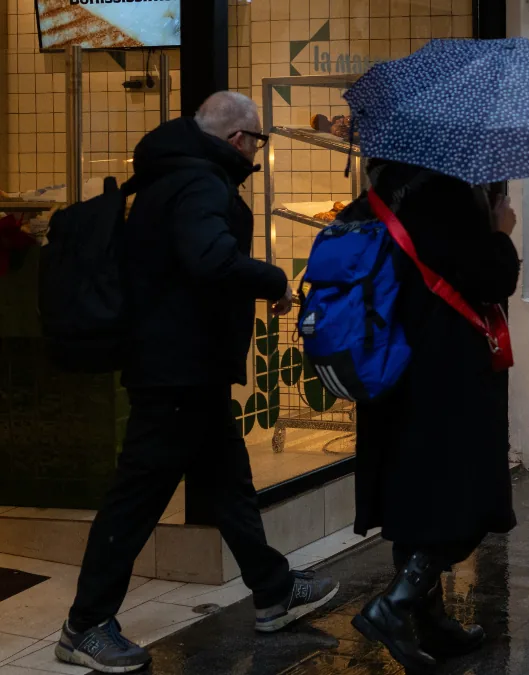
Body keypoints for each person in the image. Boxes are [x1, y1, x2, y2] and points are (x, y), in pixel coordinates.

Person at [56, 92, 338, 674]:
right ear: (238, 140)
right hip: (176, 371)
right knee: (137, 498)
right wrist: (274, 278)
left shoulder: (173, 175)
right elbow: (209, 259)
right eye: (257, 141)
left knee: (229, 484)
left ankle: (273, 589)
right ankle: (85, 625)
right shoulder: (202, 184)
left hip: (188, 367)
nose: (257, 151)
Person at [348, 159, 520, 672]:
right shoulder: (447, 197)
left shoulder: (384, 190)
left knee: (414, 496)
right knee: (460, 498)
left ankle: (432, 624)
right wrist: (500, 231)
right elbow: (492, 278)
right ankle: (394, 605)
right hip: (444, 373)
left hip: (389, 366)